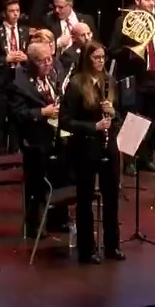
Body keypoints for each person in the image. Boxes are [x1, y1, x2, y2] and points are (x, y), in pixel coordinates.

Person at [60, 41, 124, 263]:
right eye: (96, 57)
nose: (100, 61)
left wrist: (113, 113)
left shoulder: (110, 81)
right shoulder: (76, 84)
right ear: (87, 59)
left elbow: (119, 119)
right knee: (85, 199)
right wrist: (93, 127)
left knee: (111, 198)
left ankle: (112, 246)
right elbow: (65, 121)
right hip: (85, 148)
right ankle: (87, 250)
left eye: (102, 57)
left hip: (109, 147)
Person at [6, 42, 71, 235]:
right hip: (34, 139)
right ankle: (35, 225)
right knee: (37, 184)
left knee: (61, 178)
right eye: (43, 61)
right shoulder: (18, 83)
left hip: (56, 134)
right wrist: (42, 112)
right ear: (32, 62)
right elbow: (18, 114)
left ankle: (59, 219)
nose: (48, 64)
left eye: (50, 59)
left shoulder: (53, 74)